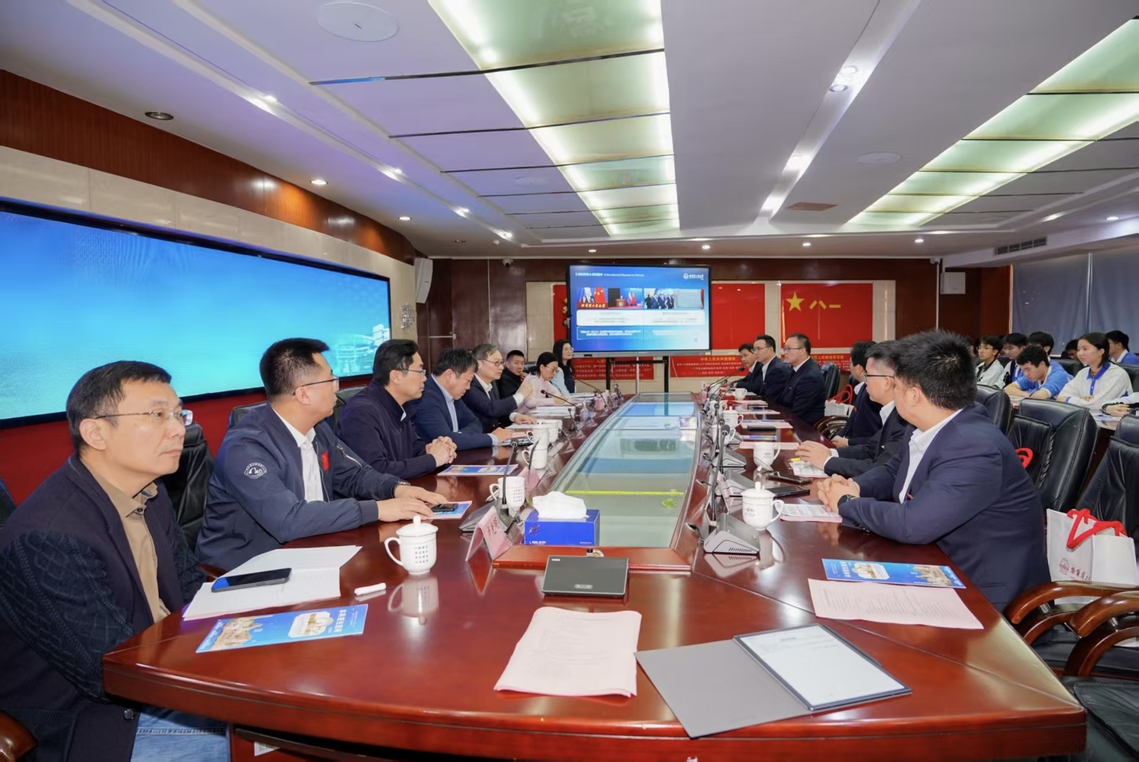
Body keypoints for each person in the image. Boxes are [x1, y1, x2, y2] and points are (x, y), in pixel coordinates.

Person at [0, 361, 227, 762]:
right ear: (96, 433)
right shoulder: (49, 536)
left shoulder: (149, 491)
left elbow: (189, 587)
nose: (178, 429)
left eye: (179, 414)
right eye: (157, 415)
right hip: (95, 722)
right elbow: (108, 673)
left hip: (162, 675)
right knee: (265, 742)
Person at [817, 330, 1048, 613]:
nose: (893, 393)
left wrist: (846, 502)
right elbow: (893, 470)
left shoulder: (974, 446)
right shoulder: (930, 424)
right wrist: (855, 486)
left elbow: (913, 524)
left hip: (982, 597)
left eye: (896, 386)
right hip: (934, 563)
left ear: (914, 395)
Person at [198, 339, 444, 570]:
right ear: (304, 393)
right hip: (249, 571)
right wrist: (378, 509)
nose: (337, 389)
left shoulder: (317, 429)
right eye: (331, 380)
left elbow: (356, 475)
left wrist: (397, 489)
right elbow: (288, 520)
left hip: (311, 552)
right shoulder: (246, 448)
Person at [336, 339, 457, 480]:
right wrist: (432, 460)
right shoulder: (360, 413)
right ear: (396, 376)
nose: (424, 378)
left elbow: (413, 450)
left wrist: (435, 450)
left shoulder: (401, 405)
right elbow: (376, 472)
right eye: (420, 371)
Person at [796, 342, 909, 478]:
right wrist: (830, 453)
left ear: (886, 382)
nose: (865, 381)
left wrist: (827, 461)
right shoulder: (891, 413)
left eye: (868, 375)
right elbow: (869, 450)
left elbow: (882, 470)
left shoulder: (904, 419)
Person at [408, 348, 518, 450]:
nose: (468, 387)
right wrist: (493, 438)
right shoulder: (424, 397)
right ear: (449, 375)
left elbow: (475, 423)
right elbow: (445, 440)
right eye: (467, 381)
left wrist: (457, 436)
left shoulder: (453, 393)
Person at [463, 343, 538, 432]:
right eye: (496, 363)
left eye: (501, 362)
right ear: (479, 364)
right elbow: (491, 409)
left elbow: (498, 411)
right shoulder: (469, 385)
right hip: (479, 438)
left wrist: (514, 416)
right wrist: (520, 395)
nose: (501, 367)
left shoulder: (492, 383)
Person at [1055, 332, 1133, 408]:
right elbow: (1061, 397)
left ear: (1101, 351)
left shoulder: (1117, 374)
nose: (1080, 353)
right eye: (1078, 349)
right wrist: (1085, 402)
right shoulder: (1083, 373)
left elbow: (1098, 404)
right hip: (1086, 415)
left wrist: (1070, 400)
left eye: (1085, 349)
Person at [832, 340, 882, 447]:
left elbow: (876, 436)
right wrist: (838, 436)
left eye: (850, 363)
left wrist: (847, 442)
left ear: (859, 368)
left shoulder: (872, 395)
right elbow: (851, 422)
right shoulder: (863, 388)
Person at [777, 333, 827, 425]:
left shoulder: (809, 377)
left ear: (802, 351)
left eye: (789, 349)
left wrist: (775, 420)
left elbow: (798, 412)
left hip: (805, 428)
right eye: (784, 349)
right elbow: (784, 400)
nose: (785, 352)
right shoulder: (795, 369)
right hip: (792, 422)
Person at [1004, 345, 1071, 400]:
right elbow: (1008, 389)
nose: (1026, 374)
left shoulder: (1058, 375)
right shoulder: (1035, 376)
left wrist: (1028, 396)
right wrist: (1027, 395)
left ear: (1042, 364)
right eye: (1023, 370)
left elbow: (1041, 396)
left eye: (1028, 369)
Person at [753, 334, 792, 402]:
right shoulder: (765, 366)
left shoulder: (777, 369)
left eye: (759, 349)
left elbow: (772, 399)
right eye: (754, 349)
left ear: (770, 349)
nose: (755, 353)